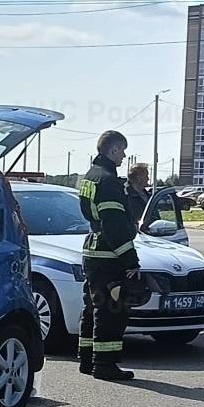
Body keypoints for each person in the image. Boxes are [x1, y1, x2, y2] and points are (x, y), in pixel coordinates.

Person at [78, 131, 142, 381]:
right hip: (108, 255)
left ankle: (86, 359)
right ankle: (105, 364)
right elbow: (114, 225)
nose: (124, 155)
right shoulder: (108, 181)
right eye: (122, 150)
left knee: (93, 306)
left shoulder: (90, 176)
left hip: (93, 251)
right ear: (114, 150)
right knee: (111, 310)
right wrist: (130, 261)